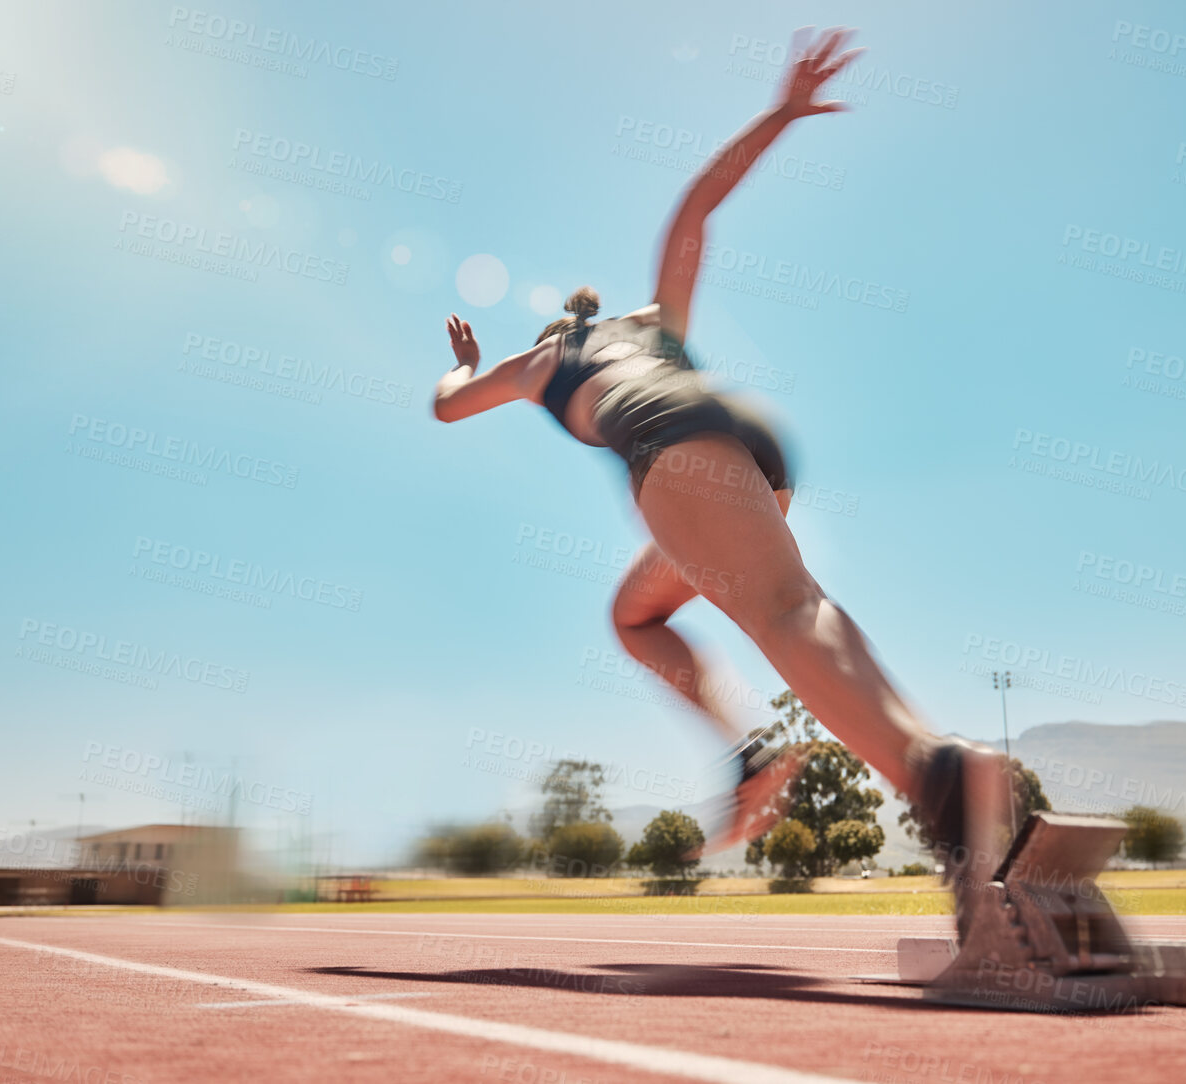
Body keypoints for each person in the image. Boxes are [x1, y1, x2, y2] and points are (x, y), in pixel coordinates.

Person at [433, 27, 1011, 899]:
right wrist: (782, 110)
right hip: (744, 439)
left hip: (669, 446)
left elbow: (446, 405)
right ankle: (758, 754)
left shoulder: (541, 361)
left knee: (778, 615)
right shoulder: (652, 325)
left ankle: (936, 780)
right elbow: (695, 210)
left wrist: (469, 365)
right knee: (653, 612)